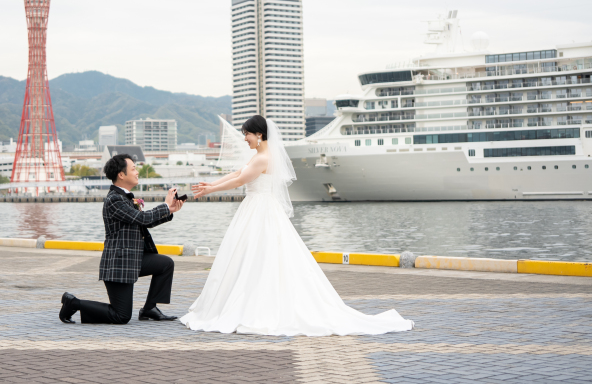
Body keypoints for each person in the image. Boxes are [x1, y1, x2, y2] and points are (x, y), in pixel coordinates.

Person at [182, 115, 414, 336]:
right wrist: (211, 183)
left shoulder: (264, 158)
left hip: (260, 209)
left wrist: (210, 190)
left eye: (247, 134)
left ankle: (255, 304)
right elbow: (236, 172)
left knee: (259, 255)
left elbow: (241, 180)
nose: (245, 139)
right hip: (256, 208)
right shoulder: (259, 156)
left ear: (259, 134)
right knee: (253, 255)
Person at [60, 153, 185, 324]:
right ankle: (73, 302)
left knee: (165, 264)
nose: (137, 172)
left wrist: (170, 211)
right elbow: (143, 218)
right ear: (121, 174)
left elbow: (144, 223)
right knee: (121, 316)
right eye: (133, 169)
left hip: (132, 259)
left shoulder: (125, 198)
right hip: (118, 265)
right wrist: (164, 205)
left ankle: (149, 308)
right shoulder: (114, 200)